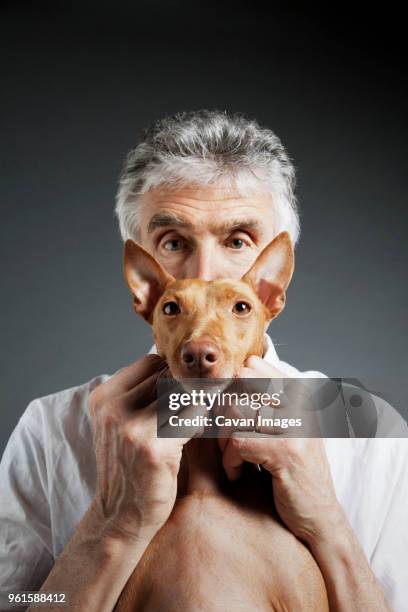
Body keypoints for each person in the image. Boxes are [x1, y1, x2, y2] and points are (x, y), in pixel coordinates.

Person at [0, 110, 406, 611]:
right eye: (174, 243)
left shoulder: (363, 424)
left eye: (238, 241)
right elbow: (15, 600)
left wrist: (326, 520)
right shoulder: (53, 427)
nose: (205, 273)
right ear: (142, 286)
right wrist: (111, 526)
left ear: (272, 288)